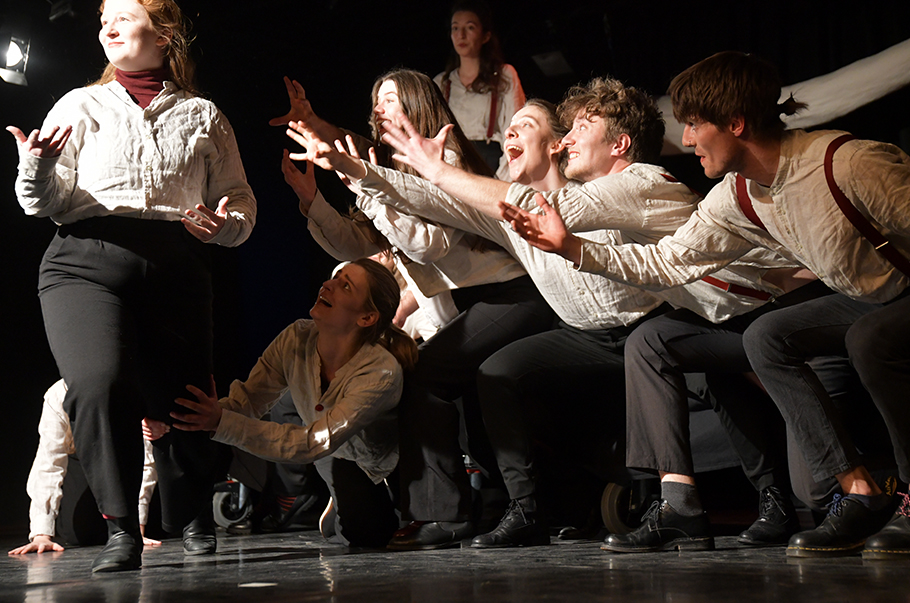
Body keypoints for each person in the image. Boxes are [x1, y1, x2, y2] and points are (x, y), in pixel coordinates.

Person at [502, 51, 910, 559]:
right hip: (871, 300)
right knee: (766, 337)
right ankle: (859, 495)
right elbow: (670, 261)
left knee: (868, 337)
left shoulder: (848, 162)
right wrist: (572, 248)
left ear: (736, 123)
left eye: (694, 125)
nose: (686, 140)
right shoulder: (736, 195)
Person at [301, 80, 804, 550]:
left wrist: (437, 170)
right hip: (589, 335)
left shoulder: (633, 183)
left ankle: (768, 496)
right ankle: (527, 508)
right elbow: (443, 203)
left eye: (537, 126)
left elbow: (542, 207)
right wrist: (358, 171)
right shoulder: (529, 206)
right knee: (499, 373)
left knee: (708, 372)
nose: (515, 134)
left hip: (659, 321)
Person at [9, 0, 256, 573]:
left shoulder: (203, 114)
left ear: (163, 33)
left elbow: (242, 206)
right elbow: (41, 202)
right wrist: (36, 165)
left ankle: (192, 513)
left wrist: (223, 226)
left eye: (123, 16)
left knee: (186, 398)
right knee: (98, 383)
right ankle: (121, 527)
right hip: (84, 260)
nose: (108, 28)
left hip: (176, 262)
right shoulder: (80, 104)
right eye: (103, 21)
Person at [277, 69, 557, 549]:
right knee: (446, 385)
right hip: (471, 302)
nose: (380, 108)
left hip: (510, 292)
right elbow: (362, 247)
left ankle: (445, 515)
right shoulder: (391, 170)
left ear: (416, 104)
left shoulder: (443, 158)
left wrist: (364, 185)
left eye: (390, 99)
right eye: (377, 100)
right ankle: (473, 506)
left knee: (425, 376)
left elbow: (428, 244)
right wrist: (313, 202)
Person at [172, 259, 417, 547]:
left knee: (384, 536)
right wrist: (207, 414)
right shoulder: (296, 338)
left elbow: (312, 442)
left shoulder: (379, 371)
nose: (328, 284)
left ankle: (352, 507)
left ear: (366, 318)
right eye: (336, 277)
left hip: (385, 461)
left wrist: (222, 423)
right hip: (334, 454)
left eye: (345, 286)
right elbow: (250, 398)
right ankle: (340, 504)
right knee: (361, 535)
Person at [8, 381, 164, 556]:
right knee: (80, 532)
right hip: (82, 459)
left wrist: (137, 529)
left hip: (125, 459)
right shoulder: (59, 393)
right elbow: (50, 462)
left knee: (156, 524)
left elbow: (145, 460)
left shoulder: (127, 386)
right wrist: (41, 535)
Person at [435, 0, 525, 176]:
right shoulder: (442, 83)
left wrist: (502, 181)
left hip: (491, 164)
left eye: (470, 28)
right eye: (455, 28)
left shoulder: (504, 75)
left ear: (485, 36)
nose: (461, 35)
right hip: (453, 166)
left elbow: (516, 130)